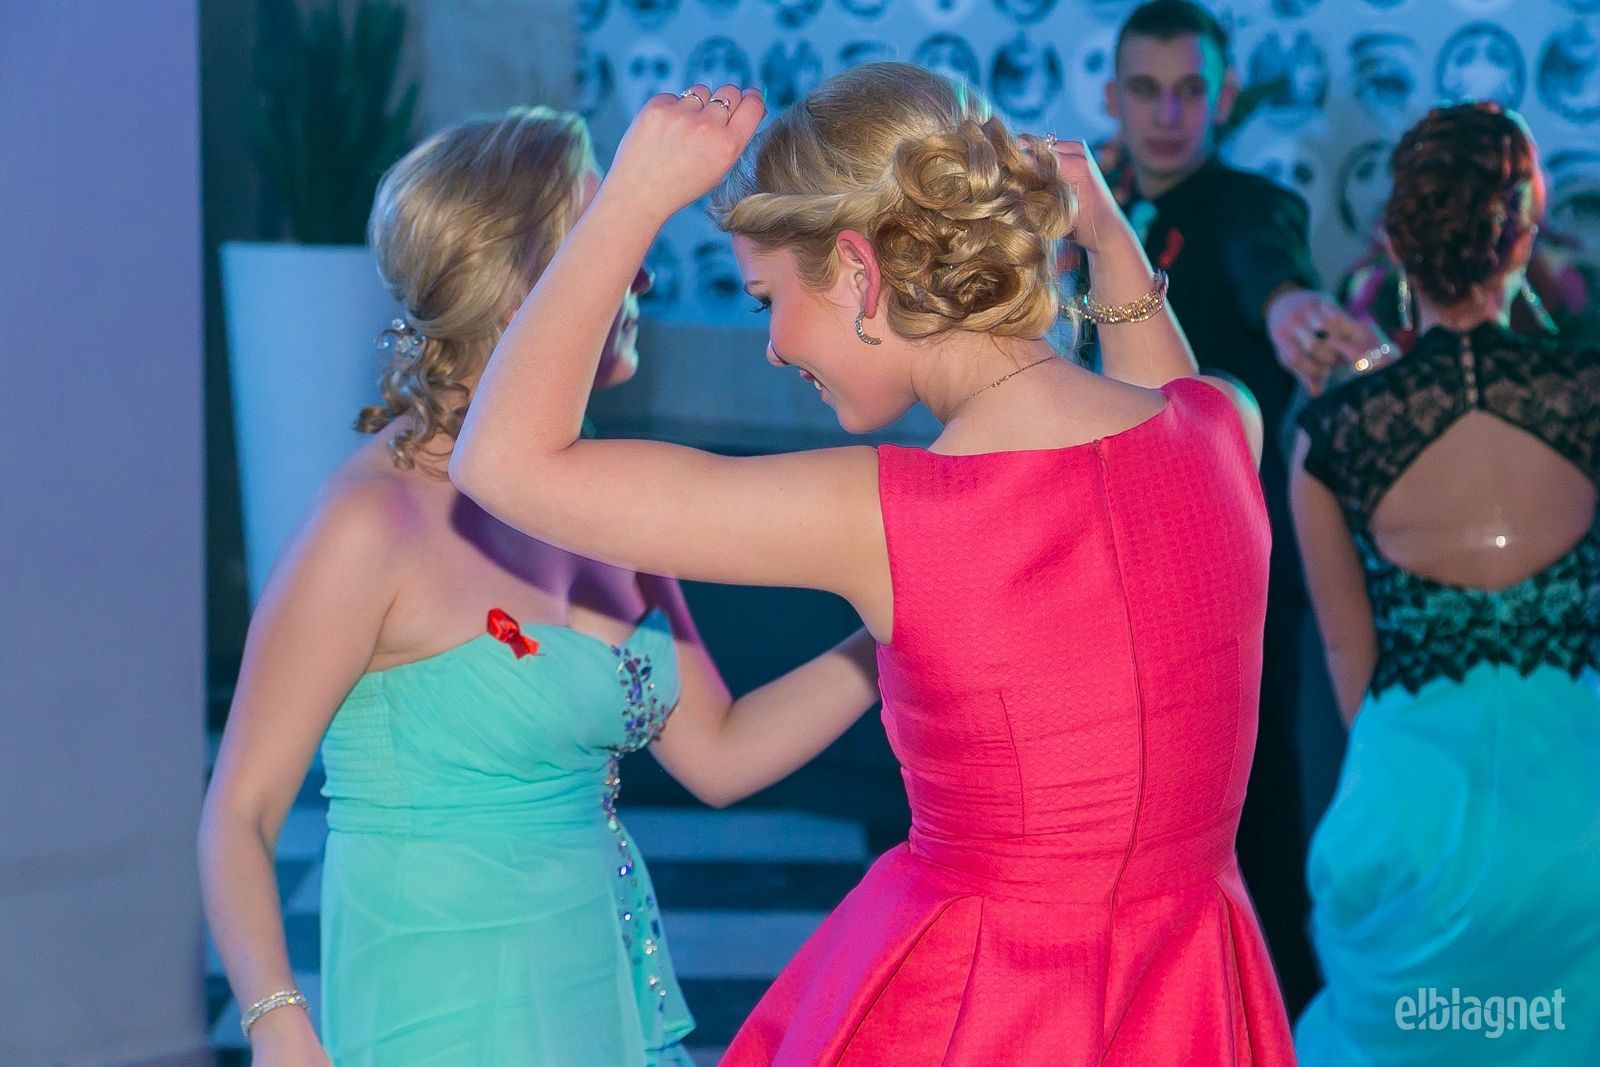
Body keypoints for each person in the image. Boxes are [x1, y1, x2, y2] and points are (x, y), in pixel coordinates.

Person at [450, 63, 1295, 1064]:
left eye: (766, 297)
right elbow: (1155, 397)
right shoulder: (1221, 431)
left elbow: (498, 462)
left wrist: (633, 196)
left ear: (858, 272)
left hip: (985, 1008)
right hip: (1192, 998)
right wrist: (1109, 238)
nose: (772, 346)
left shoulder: (891, 515)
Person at [197, 107, 880, 1066]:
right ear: (520, 278)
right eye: (608, 231)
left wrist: (903, 628)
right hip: (441, 1018)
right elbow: (239, 812)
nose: (642, 274)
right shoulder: (372, 524)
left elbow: (720, 754)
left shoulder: (602, 497)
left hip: (608, 1005)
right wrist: (279, 1027)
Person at [1292, 103, 1600, 1063]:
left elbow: (1349, 660)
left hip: (1412, 816)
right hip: (1577, 814)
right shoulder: (1588, 397)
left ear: (1395, 240)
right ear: (1526, 234)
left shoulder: (1334, 434)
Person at [1100, 0, 1373, 1011]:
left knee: (1250, 825)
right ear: (1113, 96)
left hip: (1227, 576)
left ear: (1221, 99)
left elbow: (1270, 268)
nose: (1167, 113)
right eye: (1147, 90)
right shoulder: (1080, 213)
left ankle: (1277, 1022)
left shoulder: (1249, 205)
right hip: (1101, 570)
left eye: (1189, 91)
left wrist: (1293, 308)